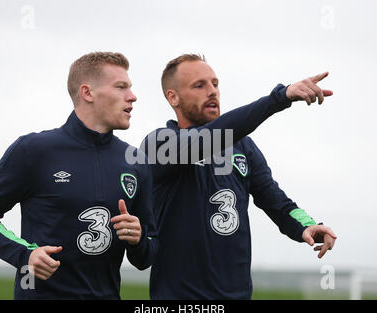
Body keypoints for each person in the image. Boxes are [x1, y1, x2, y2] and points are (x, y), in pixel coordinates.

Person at [0, 52, 158, 299]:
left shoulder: (136, 161)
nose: (133, 96)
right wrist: (25, 254)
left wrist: (138, 238)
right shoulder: (33, 150)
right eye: (121, 87)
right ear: (87, 93)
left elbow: (146, 257)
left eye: (130, 88)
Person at [143, 54, 337, 299]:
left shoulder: (243, 146)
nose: (212, 92)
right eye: (199, 85)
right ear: (173, 97)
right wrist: (280, 97)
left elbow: (277, 202)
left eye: (215, 84)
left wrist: (308, 224)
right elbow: (210, 137)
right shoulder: (160, 144)